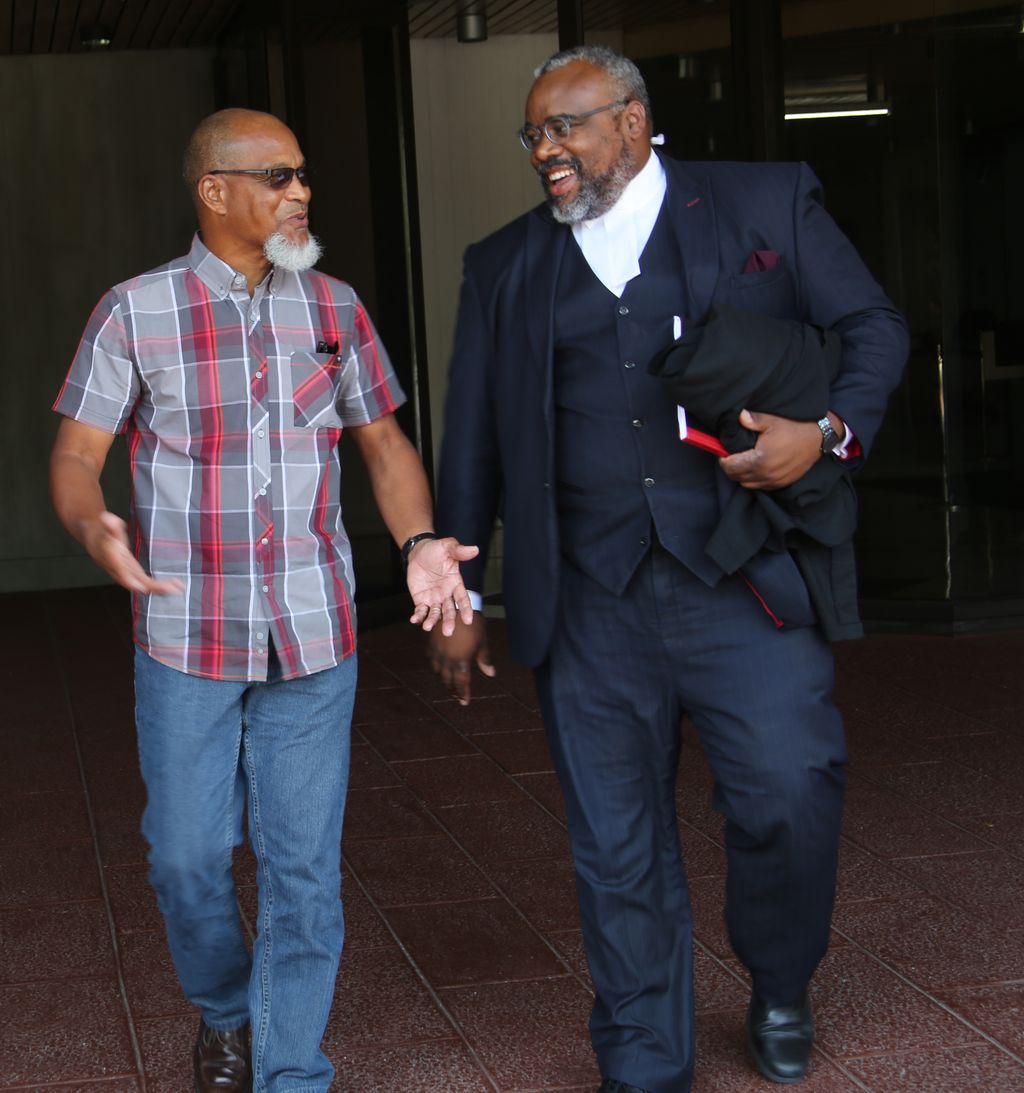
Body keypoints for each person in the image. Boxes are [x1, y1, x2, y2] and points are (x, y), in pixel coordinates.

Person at [429, 46, 909, 1093]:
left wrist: (823, 432)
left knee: (787, 791)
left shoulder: (762, 203)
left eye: (566, 126)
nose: (545, 148)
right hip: (589, 594)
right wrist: (456, 584)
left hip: (742, 576)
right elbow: (473, 440)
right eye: (533, 135)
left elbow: (872, 326)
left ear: (636, 122)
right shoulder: (504, 263)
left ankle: (780, 980)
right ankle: (644, 1054)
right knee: (614, 841)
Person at [50, 108, 476, 1093]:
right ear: (215, 191)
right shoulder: (134, 311)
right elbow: (77, 453)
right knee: (186, 860)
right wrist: (89, 523)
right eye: (280, 176)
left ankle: (290, 1071)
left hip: (314, 634)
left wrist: (416, 541)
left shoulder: (335, 307)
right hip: (183, 635)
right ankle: (228, 1012)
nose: (302, 192)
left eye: (303, 175)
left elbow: (383, 443)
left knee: (302, 874)